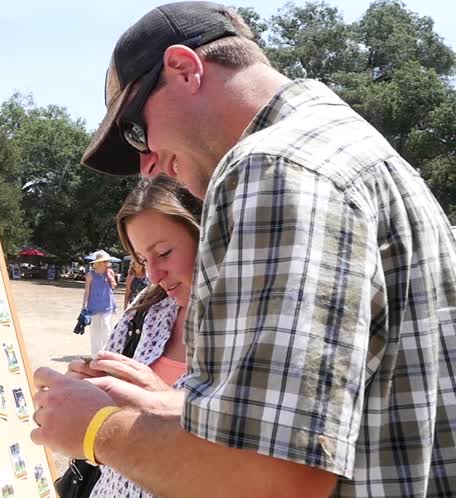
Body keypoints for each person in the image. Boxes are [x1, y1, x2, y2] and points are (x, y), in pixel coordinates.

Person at [30, 3, 456, 497]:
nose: (146, 166)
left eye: (136, 132)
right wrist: (172, 407)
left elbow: (269, 478)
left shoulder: (273, 165)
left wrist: (93, 429)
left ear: (185, 69)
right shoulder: (357, 152)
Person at [67, 176, 200, 498]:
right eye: (142, 259)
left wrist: (158, 400)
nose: (153, 274)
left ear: (206, 234)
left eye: (164, 253)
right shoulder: (142, 314)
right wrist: (86, 392)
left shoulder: (255, 329)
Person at [81, 250, 118, 354]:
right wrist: (83, 305)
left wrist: (111, 278)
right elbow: (87, 290)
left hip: (107, 304)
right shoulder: (90, 274)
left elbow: (114, 286)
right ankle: (95, 353)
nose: (107, 263)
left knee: (106, 327)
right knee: (95, 330)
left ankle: (106, 351)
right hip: (94, 305)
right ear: (99, 263)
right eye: (105, 261)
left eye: (107, 261)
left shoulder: (109, 272)